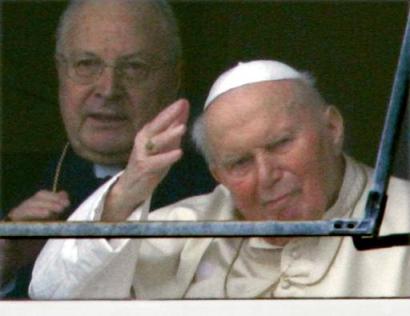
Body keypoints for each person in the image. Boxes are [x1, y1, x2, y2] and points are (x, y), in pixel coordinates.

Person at [29, 60, 410, 299]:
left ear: (331, 128)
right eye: (240, 162)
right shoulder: (187, 230)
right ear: (218, 175)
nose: (267, 177)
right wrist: (129, 189)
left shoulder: (404, 219)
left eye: (280, 144)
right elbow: (52, 293)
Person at [0, 0, 214, 299]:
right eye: (87, 64)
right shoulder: (12, 188)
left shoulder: (218, 188)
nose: (109, 89)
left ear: (173, 78)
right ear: (60, 71)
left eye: (134, 67)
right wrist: (5, 262)